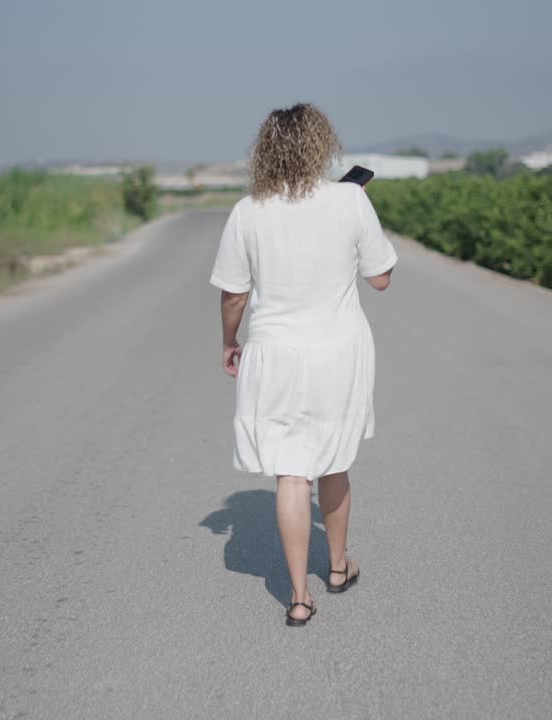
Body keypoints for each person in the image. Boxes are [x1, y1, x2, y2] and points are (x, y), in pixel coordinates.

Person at [209, 103, 397, 626]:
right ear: (322, 145)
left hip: (274, 354)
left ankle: (298, 597)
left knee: (291, 472)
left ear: (265, 151)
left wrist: (229, 341)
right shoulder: (350, 199)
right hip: (339, 351)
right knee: (334, 460)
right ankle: (336, 568)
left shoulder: (248, 211)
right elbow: (381, 279)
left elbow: (234, 295)